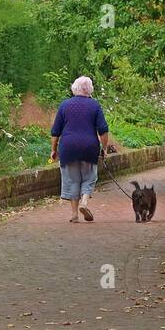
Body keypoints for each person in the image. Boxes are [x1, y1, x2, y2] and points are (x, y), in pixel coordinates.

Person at [51, 76, 116, 222]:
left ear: (74, 88)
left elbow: (56, 131)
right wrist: (104, 148)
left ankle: (74, 215)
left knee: (73, 180)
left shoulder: (64, 105)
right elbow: (103, 130)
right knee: (89, 177)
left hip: (68, 147)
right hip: (89, 147)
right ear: (90, 89)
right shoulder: (94, 105)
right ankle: (84, 202)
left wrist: (53, 150)